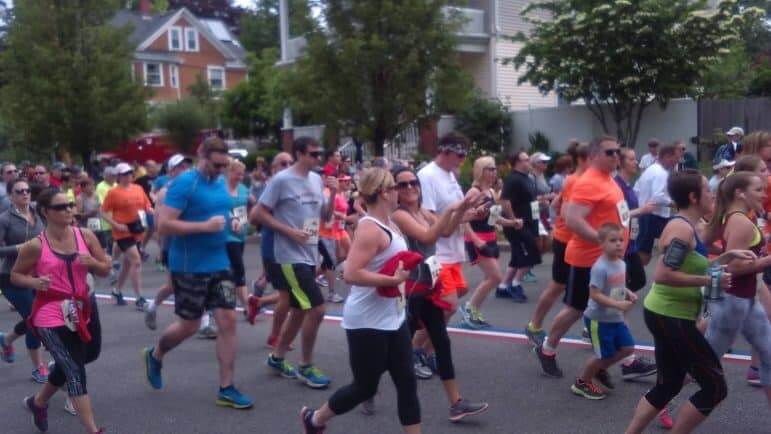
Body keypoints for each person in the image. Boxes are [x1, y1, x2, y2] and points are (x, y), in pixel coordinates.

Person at [625, 169, 755, 434]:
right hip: (669, 315)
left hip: (669, 313)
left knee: (669, 385)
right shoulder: (680, 229)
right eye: (708, 190)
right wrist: (708, 282)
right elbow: (663, 274)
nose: (713, 194)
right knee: (715, 386)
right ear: (694, 197)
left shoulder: (691, 226)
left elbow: (693, 266)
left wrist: (726, 257)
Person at [299, 168, 422, 434]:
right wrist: (392, 281)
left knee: (407, 382)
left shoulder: (391, 223)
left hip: (393, 317)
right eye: (394, 187)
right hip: (367, 322)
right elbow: (351, 273)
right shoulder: (371, 229)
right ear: (383, 192)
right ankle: (315, 420)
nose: (399, 192)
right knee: (365, 387)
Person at [142, 137, 253, 409]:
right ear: (201, 154)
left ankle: (226, 388)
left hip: (220, 265)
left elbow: (223, 214)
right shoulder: (184, 183)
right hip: (190, 267)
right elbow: (164, 226)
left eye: (224, 165)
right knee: (189, 326)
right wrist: (204, 227)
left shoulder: (220, 183)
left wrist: (234, 226)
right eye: (215, 165)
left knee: (228, 321)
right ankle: (155, 355)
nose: (219, 170)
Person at [389, 166, 489, 420]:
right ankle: (365, 388)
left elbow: (445, 230)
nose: (410, 187)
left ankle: (456, 403)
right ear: (395, 191)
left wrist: (465, 212)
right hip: (412, 291)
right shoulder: (399, 216)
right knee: (394, 350)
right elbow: (428, 234)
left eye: (413, 182)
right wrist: (455, 208)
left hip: (429, 288)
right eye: (403, 184)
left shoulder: (423, 211)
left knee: (442, 342)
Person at [14, 188, 112, 434]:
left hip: (83, 305)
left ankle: (38, 402)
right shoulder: (34, 246)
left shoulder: (85, 235)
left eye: (69, 204)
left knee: (87, 355)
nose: (69, 209)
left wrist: (94, 263)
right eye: (61, 207)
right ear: (46, 212)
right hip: (50, 311)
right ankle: (92, 430)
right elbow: (15, 275)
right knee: (75, 371)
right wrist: (33, 282)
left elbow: (105, 269)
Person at [534, 136, 629, 378]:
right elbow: (572, 219)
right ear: (595, 155)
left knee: (612, 305)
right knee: (575, 308)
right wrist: (602, 241)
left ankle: (620, 358)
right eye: (610, 152)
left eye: (618, 151)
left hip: (609, 259)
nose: (616, 156)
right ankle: (547, 349)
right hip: (590, 259)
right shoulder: (588, 182)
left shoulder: (608, 179)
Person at [254, 137, 338, 389]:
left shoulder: (315, 180)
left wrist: (333, 193)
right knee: (317, 309)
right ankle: (305, 365)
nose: (317, 158)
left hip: (310, 252)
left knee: (300, 309)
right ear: (299, 154)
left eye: (319, 153)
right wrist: (288, 231)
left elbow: (325, 216)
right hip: (289, 256)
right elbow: (257, 214)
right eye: (313, 154)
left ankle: (277, 357)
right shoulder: (281, 180)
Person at [703, 172, 771, 406]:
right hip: (731, 301)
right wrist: (767, 260)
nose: (763, 194)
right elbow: (732, 266)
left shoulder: (737, 217)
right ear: (740, 193)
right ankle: (664, 397)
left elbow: (719, 251)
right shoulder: (741, 221)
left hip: (746, 300)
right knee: (707, 363)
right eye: (759, 189)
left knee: (770, 354)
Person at [525, 142, 589, 346]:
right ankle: (535, 327)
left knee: (584, 288)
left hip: (573, 240)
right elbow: (564, 212)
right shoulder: (575, 180)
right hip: (568, 241)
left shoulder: (578, 180)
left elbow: (555, 204)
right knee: (559, 287)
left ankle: (589, 328)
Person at [571, 223, 637, 400]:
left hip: (615, 318)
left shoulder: (621, 263)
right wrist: (617, 305)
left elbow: (618, 285)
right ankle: (582, 382)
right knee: (603, 355)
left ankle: (599, 369)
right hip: (598, 319)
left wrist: (628, 293)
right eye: (612, 240)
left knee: (628, 348)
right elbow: (594, 294)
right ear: (601, 243)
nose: (618, 244)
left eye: (621, 240)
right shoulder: (600, 267)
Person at [0, 179, 47, 382]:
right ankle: (39, 367)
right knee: (35, 319)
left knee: (36, 316)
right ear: (11, 196)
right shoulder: (4, 219)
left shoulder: (39, 213)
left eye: (27, 190)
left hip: (38, 274)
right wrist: (20, 248)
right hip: (12, 276)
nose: (25, 194)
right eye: (19, 191)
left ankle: (7, 339)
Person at [247, 152, 294, 350]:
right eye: (283, 163)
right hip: (274, 245)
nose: (288, 166)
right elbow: (254, 217)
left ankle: (258, 302)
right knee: (288, 295)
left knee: (290, 294)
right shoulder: (272, 187)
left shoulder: (295, 185)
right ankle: (275, 337)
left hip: (294, 246)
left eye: (291, 163)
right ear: (273, 168)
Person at [143, 154, 192, 331]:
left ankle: (204, 323)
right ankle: (152, 306)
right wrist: (163, 248)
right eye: (180, 167)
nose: (185, 169)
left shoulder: (194, 187)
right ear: (171, 171)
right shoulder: (165, 192)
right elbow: (159, 223)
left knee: (201, 279)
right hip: (173, 243)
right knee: (172, 285)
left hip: (194, 242)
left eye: (187, 166)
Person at [460, 156, 508, 328]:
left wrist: (512, 223)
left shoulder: (491, 192)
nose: (494, 172)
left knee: (491, 277)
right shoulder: (474, 192)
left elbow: (494, 218)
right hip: (477, 239)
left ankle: (473, 310)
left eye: (495, 169)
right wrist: (475, 240)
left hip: (491, 237)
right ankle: (469, 308)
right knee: (495, 277)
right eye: (490, 169)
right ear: (481, 171)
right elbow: (462, 219)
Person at [101, 162, 152, 309]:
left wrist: (156, 213)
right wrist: (116, 225)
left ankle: (117, 291)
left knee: (127, 264)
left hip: (137, 229)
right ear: (119, 176)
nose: (129, 176)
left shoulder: (138, 188)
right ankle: (139, 298)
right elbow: (103, 212)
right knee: (136, 261)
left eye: (130, 173)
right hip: (122, 232)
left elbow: (147, 206)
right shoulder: (113, 192)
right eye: (125, 174)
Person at [498, 150, 541, 302]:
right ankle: (516, 284)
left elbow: (530, 200)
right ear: (518, 162)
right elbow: (504, 200)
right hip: (517, 225)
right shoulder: (512, 179)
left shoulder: (528, 178)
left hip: (530, 223)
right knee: (530, 255)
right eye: (526, 159)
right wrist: (513, 219)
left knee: (517, 257)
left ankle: (503, 287)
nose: (529, 162)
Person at [634, 142, 680, 265]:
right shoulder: (661, 173)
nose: (677, 161)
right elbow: (658, 196)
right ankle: (633, 277)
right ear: (667, 156)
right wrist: (674, 203)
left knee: (646, 247)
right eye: (676, 158)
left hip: (647, 214)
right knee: (646, 249)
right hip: (653, 216)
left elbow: (636, 188)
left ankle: (634, 275)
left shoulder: (651, 169)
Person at [225, 159, 255, 314]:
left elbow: (252, 203)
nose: (240, 177)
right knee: (238, 269)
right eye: (237, 174)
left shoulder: (243, 188)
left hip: (241, 233)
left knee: (232, 270)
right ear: (229, 172)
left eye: (242, 174)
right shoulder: (222, 189)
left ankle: (230, 302)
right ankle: (246, 306)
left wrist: (249, 219)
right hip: (226, 235)